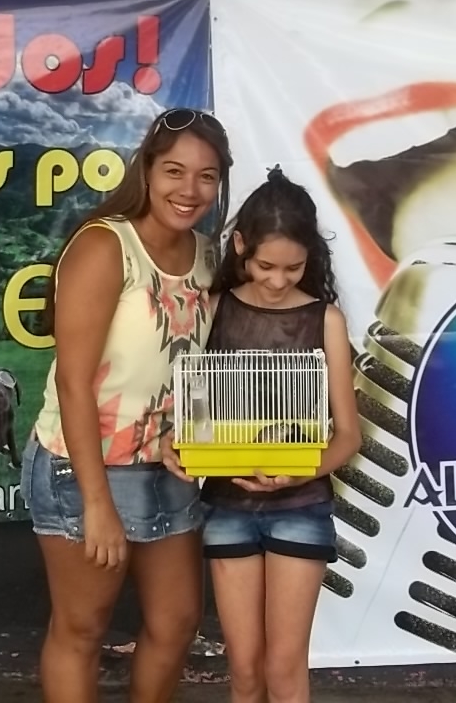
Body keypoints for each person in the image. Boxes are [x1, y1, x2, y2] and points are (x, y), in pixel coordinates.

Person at [22, 107, 234, 703]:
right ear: (147, 169)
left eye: (207, 176)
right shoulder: (105, 246)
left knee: (177, 622)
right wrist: (97, 504)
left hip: (163, 467)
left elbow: (193, 368)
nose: (189, 190)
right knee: (82, 628)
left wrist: (190, 435)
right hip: (81, 467)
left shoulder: (207, 256)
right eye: (174, 171)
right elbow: (73, 383)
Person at [164, 166, 362, 703]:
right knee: (246, 670)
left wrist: (297, 473)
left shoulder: (325, 320)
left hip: (302, 506)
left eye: (293, 268)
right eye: (266, 266)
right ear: (241, 248)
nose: (278, 281)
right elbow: (187, 410)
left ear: (310, 257)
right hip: (226, 505)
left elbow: (348, 436)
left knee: (284, 668)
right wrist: (176, 442)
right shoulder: (213, 310)